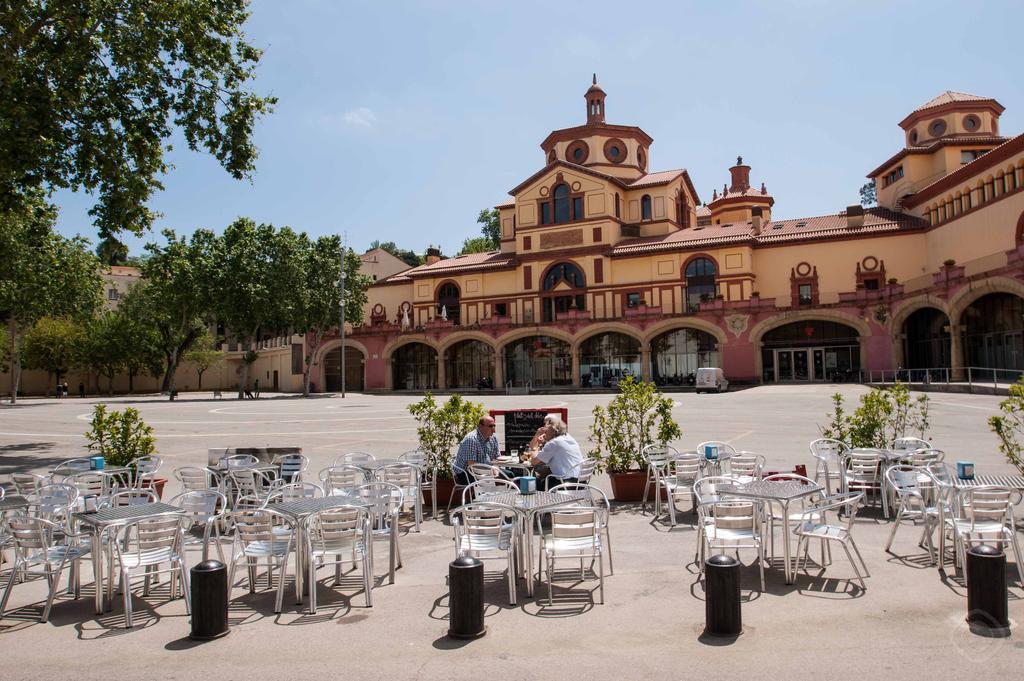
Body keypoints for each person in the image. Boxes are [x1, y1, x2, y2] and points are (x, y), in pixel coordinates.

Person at [530, 415, 584, 490]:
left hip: (564, 484)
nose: (544, 433)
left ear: (552, 430)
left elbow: (534, 461)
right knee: (544, 477)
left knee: (531, 484)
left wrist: (536, 447)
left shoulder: (554, 443)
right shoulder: (569, 437)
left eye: (545, 430)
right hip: (581, 482)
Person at [453, 414, 500, 486]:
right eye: (490, 426)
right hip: (466, 473)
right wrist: (490, 473)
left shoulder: (493, 438)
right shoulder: (472, 439)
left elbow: (496, 458)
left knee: (510, 475)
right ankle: (492, 496)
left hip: (486, 470)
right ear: (481, 426)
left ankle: (505, 496)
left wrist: (496, 471)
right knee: (500, 481)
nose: (493, 429)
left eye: (494, 426)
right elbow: (472, 466)